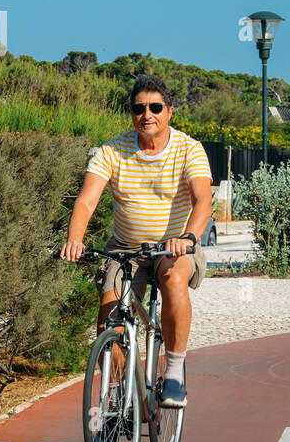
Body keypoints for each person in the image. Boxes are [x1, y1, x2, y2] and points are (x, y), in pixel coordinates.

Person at [60, 75, 212, 407]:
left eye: (155, 107)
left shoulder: (189, 149)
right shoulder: (112, 150)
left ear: (169, 111)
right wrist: (75, 239)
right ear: (131, 114)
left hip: (173, 247)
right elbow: (87, 201)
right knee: (109, 320)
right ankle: (116, 399)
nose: (147, 114)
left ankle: (173, 371)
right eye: (139, 108)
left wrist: (188, 237)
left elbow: (203, 200)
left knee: (173, 280)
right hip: (125, 250)